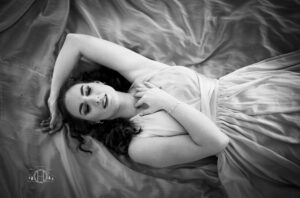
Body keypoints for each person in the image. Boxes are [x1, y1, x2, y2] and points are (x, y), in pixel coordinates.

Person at [41, 33, 300, 197]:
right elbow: (216, 142)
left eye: (87, 90)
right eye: (86, 108)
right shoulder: (139, 145)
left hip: (246, 90)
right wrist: (167, 102)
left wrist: (54, 97)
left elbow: (76, 42)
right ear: (95, 121)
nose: (94, 99)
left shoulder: (143, 74)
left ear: (98, 83)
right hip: (249, 136)